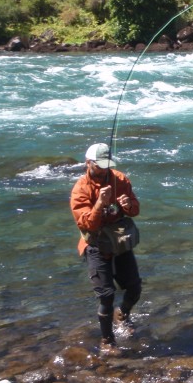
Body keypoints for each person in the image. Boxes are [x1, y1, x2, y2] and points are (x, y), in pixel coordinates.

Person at [70, 143, 142, 356]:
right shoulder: (80, 189)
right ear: (88, 163)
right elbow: (86, 225)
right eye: (99, 166)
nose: (103, 170)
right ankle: (107, 341)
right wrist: (100, 203)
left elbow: (135, 210)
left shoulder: (119, 179)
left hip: (119, 240)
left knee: (135, 287)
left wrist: (128, 204)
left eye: (106, 165)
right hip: (95, 243)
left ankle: (123, 314)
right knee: (106, 295)